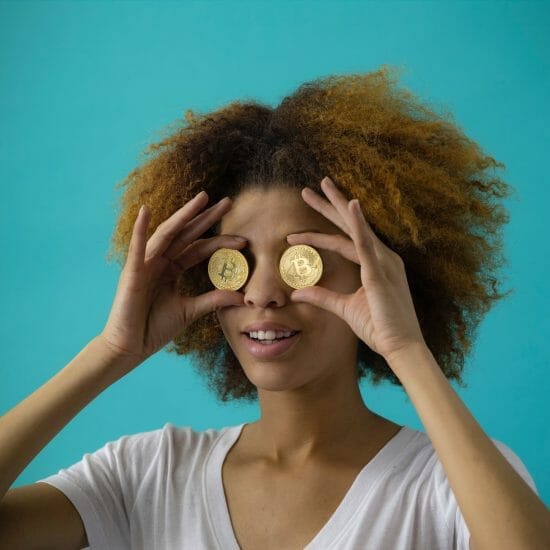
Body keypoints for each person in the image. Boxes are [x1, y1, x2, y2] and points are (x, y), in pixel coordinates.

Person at [0, 66, 548, 550]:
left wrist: (406, 347)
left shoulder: (454, 484)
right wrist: (110, 352)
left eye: (301, 257)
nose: (262, 293)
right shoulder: (148, 475)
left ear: (378, 273)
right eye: (234, 259)